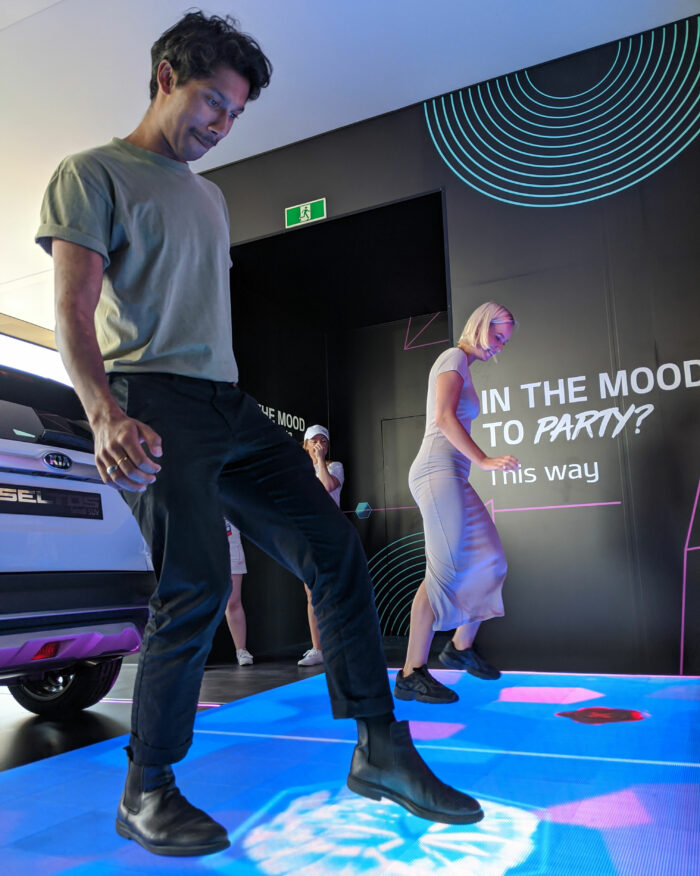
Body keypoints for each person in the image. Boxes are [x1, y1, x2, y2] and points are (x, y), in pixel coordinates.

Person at [36, 10, 484, 858]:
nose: (223, 123)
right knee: (195, 588)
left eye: (237, 113)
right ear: (166, 75)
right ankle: (147, 788)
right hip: (150, 399)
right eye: (214, 101)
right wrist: (103, 412)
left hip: (227, 405)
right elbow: (70, 309)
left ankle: (379, 748)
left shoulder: (208, 194)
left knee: (334, 546)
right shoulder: (91, 172)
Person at [395, 303, 519, 705]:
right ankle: (412, 672)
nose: (499, 347)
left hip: (453, 476)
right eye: (498, 336)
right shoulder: (452, 356)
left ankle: (459, 648)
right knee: (443, 573)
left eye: (504, 341)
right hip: (436, 472)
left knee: (491, 558)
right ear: (482, 324)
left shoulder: (462, 364)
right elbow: (445, 418)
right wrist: (484, 459)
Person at [298, 425, 344, 667]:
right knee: (311, 593)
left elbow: (327, 486)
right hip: (308, 536)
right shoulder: (299, 471)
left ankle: (338, 645)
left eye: (323, 441)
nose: (319, 444)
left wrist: (320, 461)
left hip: (332, 536)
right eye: (314, 441)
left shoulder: (334, 466)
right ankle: (318, 649)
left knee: (332, 591)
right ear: (305, 445)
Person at [223, 518, 253, 665]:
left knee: (233, 601)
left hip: (230, 542)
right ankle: (196, 654)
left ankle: (241, 650)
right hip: (203, 544)